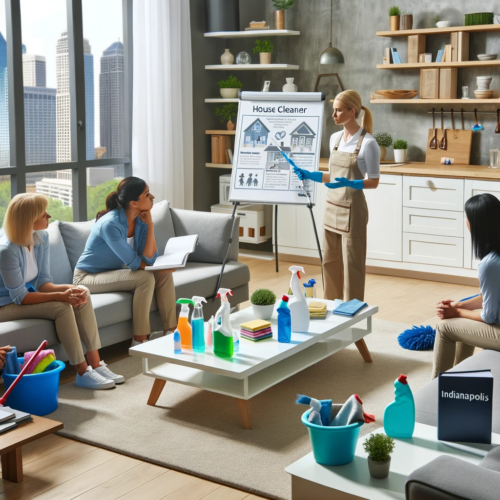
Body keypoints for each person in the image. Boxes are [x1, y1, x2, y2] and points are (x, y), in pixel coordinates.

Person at [0, 193, 122, 389]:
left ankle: (96, 363)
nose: (48, 217)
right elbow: (19, 296)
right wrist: (61, 296)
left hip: (21, 298)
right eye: (43, 214)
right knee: (62, 306)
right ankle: (82, 372)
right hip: (6, 304)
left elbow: (43, 282)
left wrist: (72, 289)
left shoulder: (41, 238)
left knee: (81, 292)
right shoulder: (7, 250)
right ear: (29, 219)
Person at [293, 90, 380, 361]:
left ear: (353, 111)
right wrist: (310, 174)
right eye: (334, 110)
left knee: (352, 266)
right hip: (331, 205)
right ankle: (330, 314)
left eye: (339, 110)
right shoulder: (334, 139)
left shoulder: (369, 144)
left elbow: (373, 181)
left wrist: (350, 183)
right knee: (329, 262)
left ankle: (350, 320)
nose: (334, 115)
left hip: (353, 208)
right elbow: (333, 174)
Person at [74, 177, 177, 346]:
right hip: (87, 277)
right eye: (147, 194)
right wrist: (159, 266)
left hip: (112, 272)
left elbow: (149, 259)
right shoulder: (110, 224)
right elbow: (135, 263)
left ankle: (171, 331)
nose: (152, 197)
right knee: (145, 277)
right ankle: (140, 339)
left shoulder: (140, 220)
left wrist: (150, 224)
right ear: (134, 203)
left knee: (163, 273)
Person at [432, 193, 500, 379]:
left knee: (445, 327)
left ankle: (437, 387)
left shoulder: (490, 264)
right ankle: (459, 379)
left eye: (467, 217)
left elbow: (490, 316)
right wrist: (459, 305)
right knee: (462, 320)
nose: (465, 221)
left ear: (477, 225)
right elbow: (492, 297)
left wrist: (457, 313)